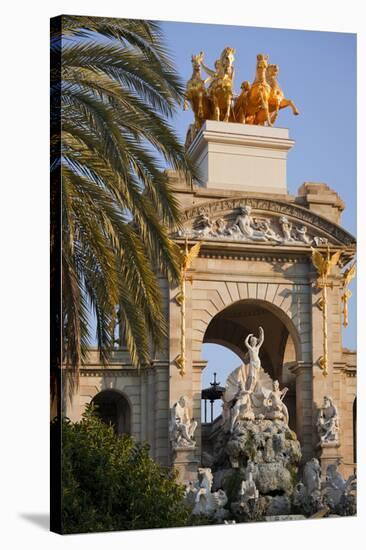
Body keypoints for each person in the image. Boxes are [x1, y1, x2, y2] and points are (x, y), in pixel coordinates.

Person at [244, 327, 264, 391]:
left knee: (256, 376)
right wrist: (249, 336)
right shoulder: (250, 348)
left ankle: (255, 387)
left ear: (256, 342)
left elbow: (262, 340)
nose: (254, 342)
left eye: (255, 341)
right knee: (252, 376)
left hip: (257, 362)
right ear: (251, 342)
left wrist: (262, 332)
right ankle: (251, 388)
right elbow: (245, 342)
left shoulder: (257, 348)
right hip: (252, 363)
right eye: (252, 341)